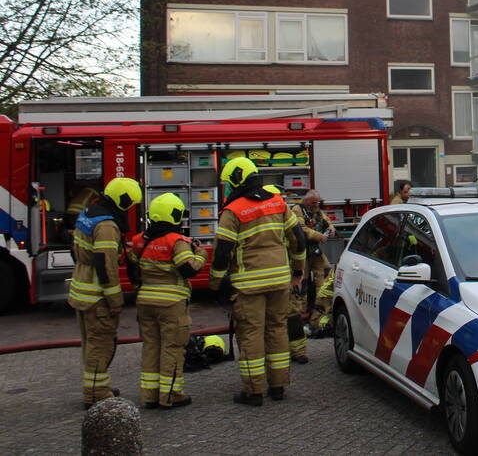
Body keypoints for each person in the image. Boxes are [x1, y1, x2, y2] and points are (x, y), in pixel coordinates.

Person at [209, 157, 306, 406]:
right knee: (276, 329)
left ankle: (253, 391)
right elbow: (298, 239)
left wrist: (215, 284)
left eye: (229, 184)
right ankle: (278, 386)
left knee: (251, 333)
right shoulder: (278, 202)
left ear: (237, 181)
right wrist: (297, 271)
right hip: (279, 281)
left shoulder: (233, 211)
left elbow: (222, 252)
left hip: (248, 285)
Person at [68, 176, 142, 409]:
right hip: (97, 296)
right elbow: (105, 264)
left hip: (81, 288)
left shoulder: (88, 214)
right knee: (101, 344)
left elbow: (77, 251)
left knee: (90, 343)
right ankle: (96, 393)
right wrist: (115, 299)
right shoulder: (108, 226)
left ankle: (98, 386)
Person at [127, 192, 206, 409]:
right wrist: (200, 255)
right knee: (172, 347)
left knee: (151, 346)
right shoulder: (177, 242)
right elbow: (188, 270)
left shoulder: (138, 240)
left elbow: (133, 270)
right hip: (171, 304)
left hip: (145, 302)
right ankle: (171, 395)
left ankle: (149, 395)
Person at [287, 189, 334, 363]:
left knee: (327, 276)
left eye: (318, 203)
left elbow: (326, 221)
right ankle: (300, 319)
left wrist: (330, 229)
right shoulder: (297, 210)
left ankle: (319, 318)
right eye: (315, 203)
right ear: (307, 202)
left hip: (315, 251)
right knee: (302, 286)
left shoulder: (316, 211)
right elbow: (301, 229)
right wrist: (319, 235)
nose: (317, 206)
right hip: (301, 252)